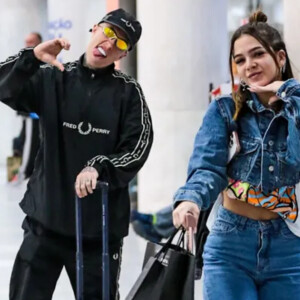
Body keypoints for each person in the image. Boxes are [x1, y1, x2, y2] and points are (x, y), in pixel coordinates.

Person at [0, 8, 153, 300]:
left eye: (120, 43)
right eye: (108, 32)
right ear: (94, 28)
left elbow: (139, 146)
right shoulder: (53, 76)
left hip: (98, 232)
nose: (109, 44)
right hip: (44, 221)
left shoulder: (128, 93)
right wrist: (31, 57)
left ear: (123, 55)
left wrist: (99, 167)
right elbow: (3, 85)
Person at [173, 10, 300, 300]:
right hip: (231, 244)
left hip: (289, 246)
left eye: (258, 55)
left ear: (280, 58)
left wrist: (291, 92)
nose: (249, 65)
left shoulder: (295, 109)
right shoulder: (224, 110)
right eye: (240, 60)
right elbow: (207, 167)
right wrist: (191, 199)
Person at [12, 32, 43, 182]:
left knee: (31, 142)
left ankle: (24, 173)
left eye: (31, 42)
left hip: (35, 111)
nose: (28, 45)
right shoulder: (25, 61)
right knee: (20, 141)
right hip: (26, 112)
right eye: (26, 42)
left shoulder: (43, 61)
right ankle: (17, 174)